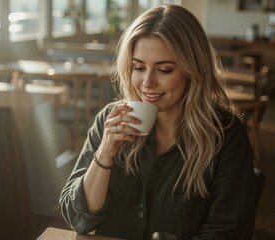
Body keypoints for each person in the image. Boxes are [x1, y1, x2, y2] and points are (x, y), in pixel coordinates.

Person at [59, 4, 256, 240]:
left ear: (193, 70)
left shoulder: (226, 134)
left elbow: (228, 232)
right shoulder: (110, 120)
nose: (147, 82)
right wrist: (105, 153)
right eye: (138, 67)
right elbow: (77, 218)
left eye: (164, 70)